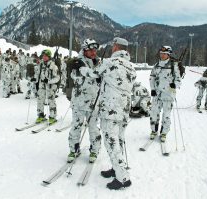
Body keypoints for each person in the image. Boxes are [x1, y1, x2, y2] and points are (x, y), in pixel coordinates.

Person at [79, 37, 136, 190]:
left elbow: (93, 74)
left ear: (116, 48)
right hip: (124, 110)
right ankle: (116, 168)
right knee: (119, 140)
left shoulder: (109, 63)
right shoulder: (131, 66)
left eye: (113, 47)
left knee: (111, 143)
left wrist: (81, 68)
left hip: (110, 110)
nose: (111, 49)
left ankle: (123, 178)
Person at [66, 39, 102, 164]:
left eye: (95, 50)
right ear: (85, 49)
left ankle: (94, 150)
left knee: (93, 128)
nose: (94, 52)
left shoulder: (98, 62)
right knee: (76, 127)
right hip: (79, 102)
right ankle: (73, 149)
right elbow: (75, 75)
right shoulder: (78, 62)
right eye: (91, 50)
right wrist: (96, 74)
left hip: (93, 101)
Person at [149, 46, 181, 142]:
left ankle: (164, 133)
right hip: (157, 94)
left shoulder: (173, 65)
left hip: (168, 94)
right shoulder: (156, 65)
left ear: (168, 54)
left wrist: (174, 85)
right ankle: (154, 131)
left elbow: (178, 79)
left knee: (166, 115)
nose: (162, 55)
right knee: (154, 113)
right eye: (161, 53)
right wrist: (152, 89)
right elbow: (152, 78)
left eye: (164, 54)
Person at [35, 49, 60, 124]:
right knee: (40, 100)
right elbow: (37, 74)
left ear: (49, 56)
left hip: (51, 87)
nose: (44, 57)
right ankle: (41, 115)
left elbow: (57, 78)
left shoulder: (53, 66)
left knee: (51, 101)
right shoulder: (41, 65)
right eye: (43, 56)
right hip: (41, 85)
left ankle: (53, 117)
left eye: (46, 56)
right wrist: (34, 79)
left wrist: (49, 81)